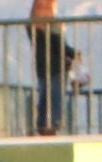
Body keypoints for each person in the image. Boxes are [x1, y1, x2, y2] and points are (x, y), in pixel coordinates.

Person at [29, 0, 78, 136]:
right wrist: (74, 54)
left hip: (42, 67)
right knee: (55, 99)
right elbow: (58, 44)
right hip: (56, 67)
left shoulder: (33, 26)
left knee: (45, 97)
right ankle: (51, 128)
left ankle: (42, 126)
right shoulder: (50, 26)